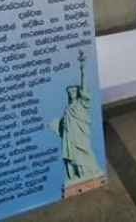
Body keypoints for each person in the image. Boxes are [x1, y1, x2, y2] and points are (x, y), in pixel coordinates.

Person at [50, 50, 102, 185]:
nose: (71, 93)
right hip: (69, 137)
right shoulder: (67, 109)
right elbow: (63, 125)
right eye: (69, 92)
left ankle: (89, 172)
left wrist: (83, 70)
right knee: (71, 155)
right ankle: (76, 176)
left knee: (83, 150)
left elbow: (84, 87)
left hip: (80, 134)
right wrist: (56, 125)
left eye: (73, 91)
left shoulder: (81, 103)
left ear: (77, 92)